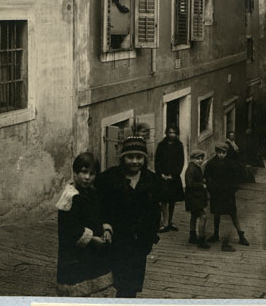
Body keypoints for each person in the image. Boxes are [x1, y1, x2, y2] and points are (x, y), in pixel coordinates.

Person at [96, 136, 161, 298]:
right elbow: (99, 205)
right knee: (121, 283)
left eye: (139, 157)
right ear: (123, 157)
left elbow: (154, 210)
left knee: (132, 284)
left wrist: (150, 236)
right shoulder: (110, 178)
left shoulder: (151, 180)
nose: (134, 161)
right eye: (130, 157)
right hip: (118, 240)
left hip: (140, 242)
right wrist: (105, 226)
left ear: (144, 159)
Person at [56, 152, 113, 297]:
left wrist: (106, 229)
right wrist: (91, 239)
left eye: (92, 174)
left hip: (89, 251)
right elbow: (68, 227)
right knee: (76, 287)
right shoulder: (70, 197)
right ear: (75, 173)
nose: (87, 177)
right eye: (83, 172)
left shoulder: (92, 193)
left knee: (87, 284)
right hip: (74, 252)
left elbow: (100, 214)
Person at [204, 142, 249, 251]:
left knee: (233, 214)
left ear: (226, 153)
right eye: (219, 153)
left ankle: (241, 235)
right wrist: (212, 188)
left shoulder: (231, 164)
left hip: (228, 194)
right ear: (216, 152)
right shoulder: (211, 164)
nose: (221, 155)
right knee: (217, 213)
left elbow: (237, 176)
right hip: (216, 193)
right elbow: (207, 177)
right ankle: (216, 234)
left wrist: (233, 188)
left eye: (223, 153)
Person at [155, 124, 185, 232]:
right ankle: (165, 222)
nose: (172, 135)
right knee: (163, 200)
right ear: (166, 133)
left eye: (174, 133)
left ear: (177, 134)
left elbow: (180, 162)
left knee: (172, 200)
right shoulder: (161, 145)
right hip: (162, 177)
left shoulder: (179, 145)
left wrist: (173, 175)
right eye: (170, 132)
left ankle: (170, 221)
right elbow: (157, 161)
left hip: (173, 178)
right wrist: (161, 174)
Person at [184, 149, 210, 249]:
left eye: (201, 158)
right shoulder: (192, 169)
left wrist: (201, 180)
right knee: (203, 216)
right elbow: (189, 183)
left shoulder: (195, 167)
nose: (200, 160)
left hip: (194, 197)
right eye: (197, 159)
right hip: (194, 198)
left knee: (194, 215)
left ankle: (192, 236)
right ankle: (201, 240)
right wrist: (201, 185)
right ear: (192, 159)